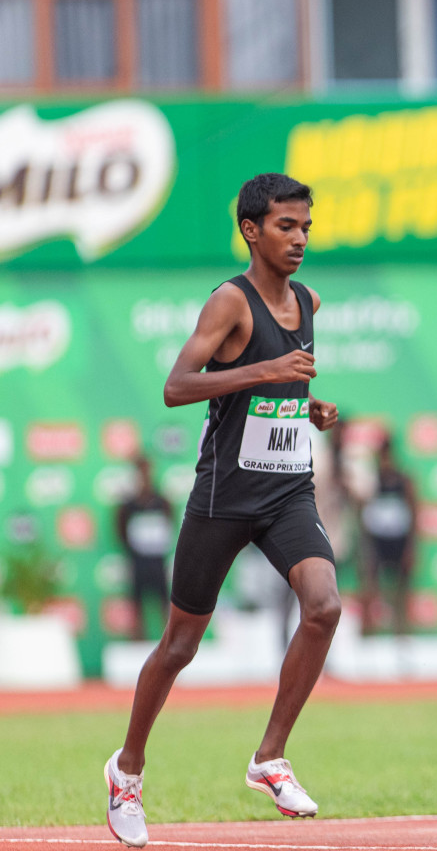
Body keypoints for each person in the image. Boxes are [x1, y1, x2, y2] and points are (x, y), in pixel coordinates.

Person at [104, 174, 342, 848]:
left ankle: (269, 758)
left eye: (306, 228)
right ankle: (126, 770)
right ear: (251, 231)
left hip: (289, 490)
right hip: (225, 498)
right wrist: (262, 375)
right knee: (180, 644)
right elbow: (177, 387)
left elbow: (288, 388)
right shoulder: (229, 304)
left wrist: (313, 409)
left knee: (323, 606)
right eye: (286, 227)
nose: (299, 239)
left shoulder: (308, 301)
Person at [356, 434, 418, 635]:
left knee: (401, 593)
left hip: (399, 540)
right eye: (381, 454)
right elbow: (363, 513)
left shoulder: (403, 479)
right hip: (377, 540)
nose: (385, 459)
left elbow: (414, 512)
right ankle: (368, 637)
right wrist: (366, 547)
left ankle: (402, 636)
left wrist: (411, 547)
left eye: (387, 454)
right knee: (370, 589)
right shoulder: (371, 481)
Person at [114, 455, 174, 641]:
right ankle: (137, 648)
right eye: (140, 472)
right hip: (137, 562)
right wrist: (134, 549)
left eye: (146, 471)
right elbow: (121, 531)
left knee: (165, 605)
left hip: (158, 562)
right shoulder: (127, 505)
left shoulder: (162, 501)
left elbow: (169, 525)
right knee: (137, 606)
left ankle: (171, 645)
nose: (143, 476)